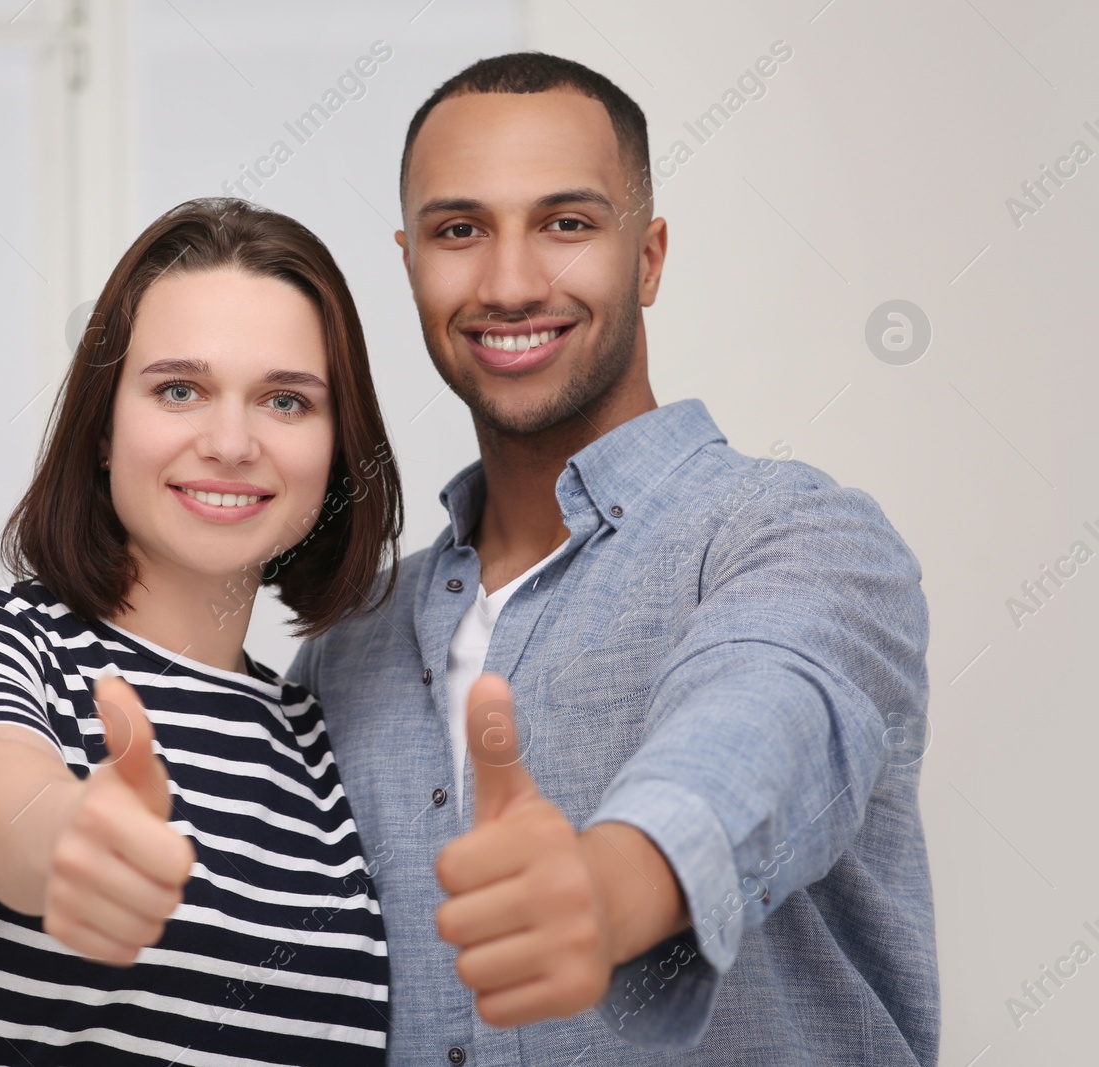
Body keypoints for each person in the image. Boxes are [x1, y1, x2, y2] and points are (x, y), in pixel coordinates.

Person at [288, 53, 939, 1066]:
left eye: (566, 223)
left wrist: (608, 884)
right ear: (411, 259)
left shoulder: (800, 539)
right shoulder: (344, 649)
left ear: (647, 256)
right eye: (460, 230)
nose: (508, 283)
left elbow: (765, 719)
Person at [0, 198, 405, 1064]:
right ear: (103, 426)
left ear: (335, 453)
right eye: (181, 389)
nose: (230, 441)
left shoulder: (318, 746)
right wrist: (66, 835)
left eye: (286, 401)